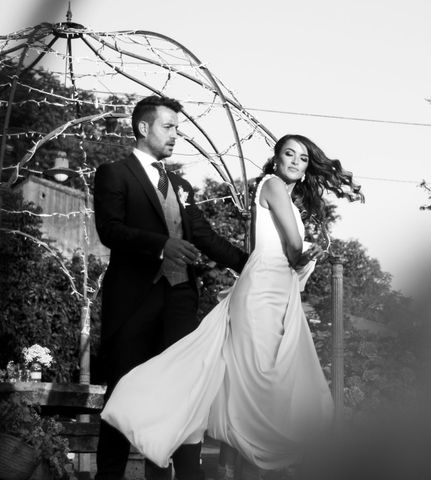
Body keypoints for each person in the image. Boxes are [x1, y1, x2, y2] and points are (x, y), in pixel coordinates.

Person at [100, 134, 363, 479]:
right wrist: (302, 256)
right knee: (261, 380)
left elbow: (247, 248)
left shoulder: (275, 193)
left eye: (303, 157)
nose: (297, 162)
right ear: (276, 158)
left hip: (271, 288)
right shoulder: (273, 186)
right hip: (261, 293)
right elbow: (293, 247)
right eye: (289, 154)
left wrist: (287, 261)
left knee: (252, 381)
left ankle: (228, 468)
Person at [93, 95, 249, 480]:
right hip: (133, 301)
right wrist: (161, 244)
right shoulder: (114, 173)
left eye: (178, 127)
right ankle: (107, 477)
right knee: (124, 392)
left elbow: (207, 238)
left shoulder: (180, 184)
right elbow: (110, 230)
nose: (177, 135)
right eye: (169, 126)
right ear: (144, 127)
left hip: (180, 299)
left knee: (179, 395)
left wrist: (255, 265)